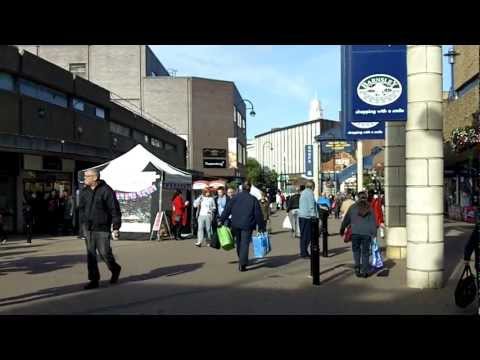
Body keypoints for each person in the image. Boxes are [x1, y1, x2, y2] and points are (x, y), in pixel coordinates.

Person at [79, 169, 122, 290]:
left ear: (95, 177)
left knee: (104, 253)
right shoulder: (84, 191)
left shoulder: (106, 190)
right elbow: (81, 209)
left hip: (102, 228)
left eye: (87, 176)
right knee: (91, 255)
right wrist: (81, 227)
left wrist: (116, 227)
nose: (85, 178)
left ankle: (115, 268)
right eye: (85, 176)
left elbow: (114, 210)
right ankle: (94, 280)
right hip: (88, 228)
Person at [219, 181, 265, 272]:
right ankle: (242, 263)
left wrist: (221, 219)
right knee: (245, 243)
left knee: (239, 243)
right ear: (250, 188)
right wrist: (261, 226)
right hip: (248, 224)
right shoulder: (253, 199)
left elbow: (227, 209)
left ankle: (241, 258)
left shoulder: (235, 198)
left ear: (242, 188)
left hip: (235, 223)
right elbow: (258, 214)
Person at [340, 192, 377, 278]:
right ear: (366, 197)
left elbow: (346, 220)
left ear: (358, 198)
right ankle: (365, 271)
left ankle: (357, 267)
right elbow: (373, 222)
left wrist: (342, 229)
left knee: (356, 250)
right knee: (365, 252)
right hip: (366, 233)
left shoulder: (353, 207)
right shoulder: (370, 208)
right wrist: (374, 233)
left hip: (355, 232)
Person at [298, 181, 319, 258]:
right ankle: (304, 253)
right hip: (307, 217)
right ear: (312, 186)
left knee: (303, 236)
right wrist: (314, 217)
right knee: (308, 236)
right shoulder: (309, 193)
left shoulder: (303, 192)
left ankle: (303, 251)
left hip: (302, 216)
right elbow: (311, 206)